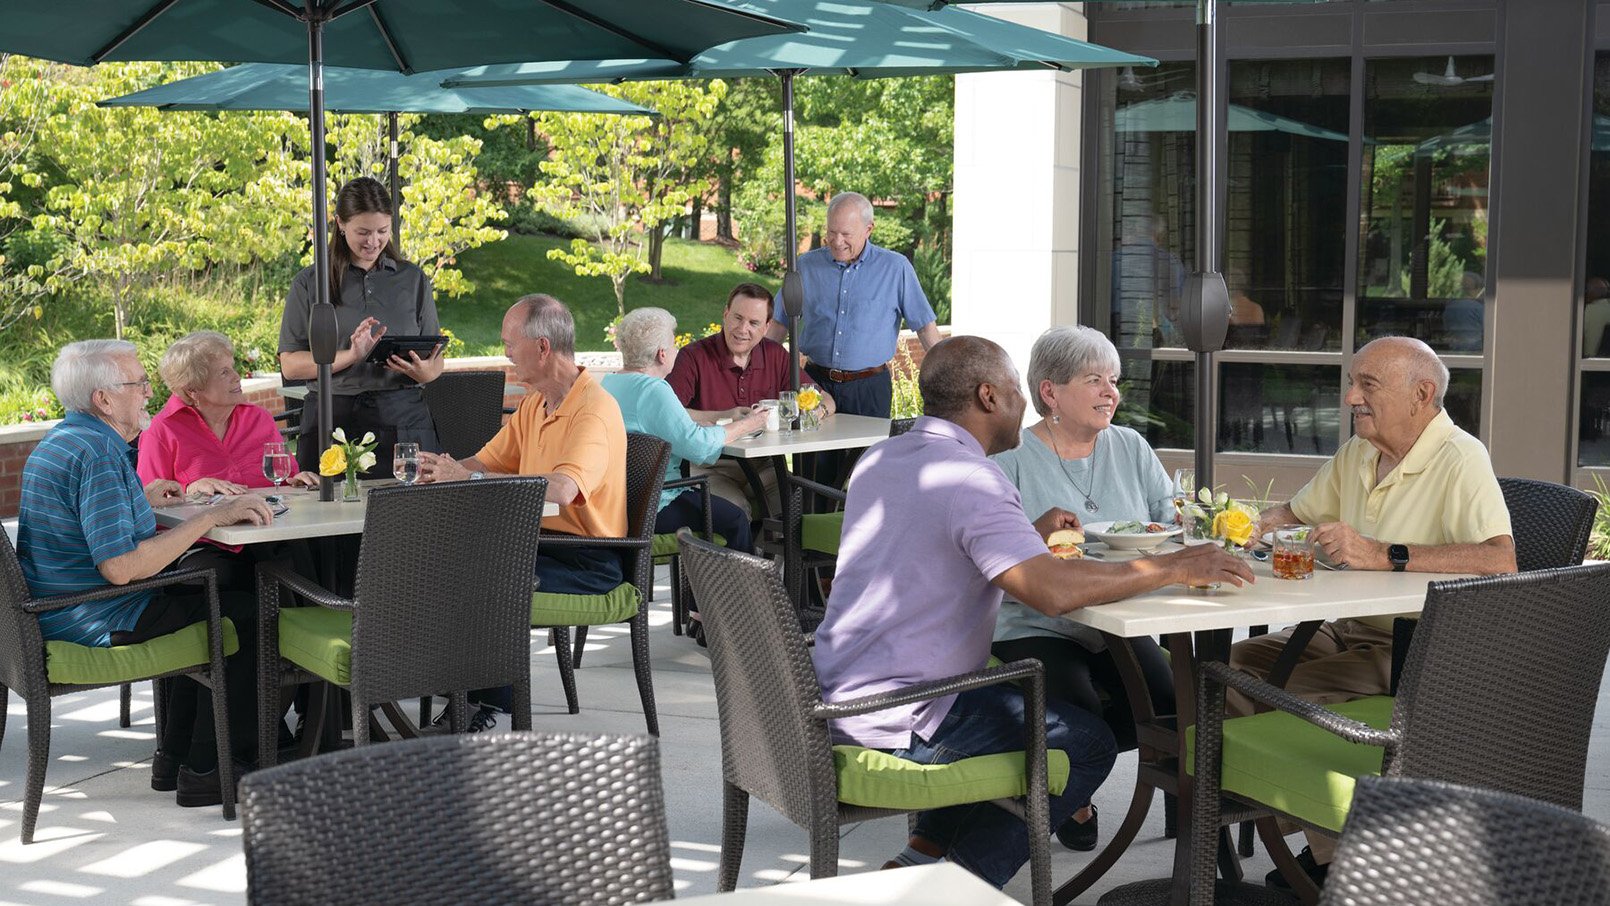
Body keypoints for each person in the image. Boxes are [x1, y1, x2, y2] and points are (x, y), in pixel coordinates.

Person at [812, 334, 1253, 888]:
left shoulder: (883, 456)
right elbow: (1052, 594)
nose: (1026, 403)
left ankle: (924, 859)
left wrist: (1027, 534)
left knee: (1099, 716)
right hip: (908, 710)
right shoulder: (973, 478)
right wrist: (1174, 568)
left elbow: (939, 543)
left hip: (844, 691)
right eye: (1019, 390)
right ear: (988, 396)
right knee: (1084, 743)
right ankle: (949, 886)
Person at [1236, 335, 1516, 888]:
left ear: (1422, 394)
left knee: (1275, 693)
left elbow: (1500, 560)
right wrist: (1238, 527)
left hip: (1419, 647)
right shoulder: (1359, 452)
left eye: (1368, 384)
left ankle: (1339, 867)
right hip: (1344, 627)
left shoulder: (1461, 457)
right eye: (1351, 382)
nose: (1349, 398)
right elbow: (1289, 514)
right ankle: (1322, 840)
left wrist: (1382, 554)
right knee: (1232, 667)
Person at [17, 340, 274, 807]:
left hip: (64, 605)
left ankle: (173, 760)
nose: (148, 393)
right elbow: (120, 568)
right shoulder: (99, 454)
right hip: (95, 615)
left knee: (218, 589)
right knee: (251, 614)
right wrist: (211, 516)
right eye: (138, 384)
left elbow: (90, 518)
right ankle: (209, 770)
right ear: (104, 399)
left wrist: (143, 496)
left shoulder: (69, 439)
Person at [988, 325, 1178, 852]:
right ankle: (1071, 792)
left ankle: (1071, 772)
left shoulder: (1131, 447)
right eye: (1094, 380)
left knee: (1175, 705)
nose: (1110, 393)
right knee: (1080, 713)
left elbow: (1171, 517)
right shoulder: (1011, 457)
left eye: (1114, 381)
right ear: (1050, 392)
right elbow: (991, 556)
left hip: (1120, 616)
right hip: (1036, 620)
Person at [417, 295, 628, 728]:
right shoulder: (536, 403)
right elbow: (485, 462)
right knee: (440, 560)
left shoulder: (593, 409)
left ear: (543, 348)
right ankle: (453, 691)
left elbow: (564, 490)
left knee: (482, 575)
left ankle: (485, 706)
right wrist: (445, 469)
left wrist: (468, 480)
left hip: (589, 559)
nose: (506, 353)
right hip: (539, 546)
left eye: (510, 343)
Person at [603, 308, 769, 637]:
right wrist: (747, 424)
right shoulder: (654, 390)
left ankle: (701, 612)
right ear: (663, 354)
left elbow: (674, 426)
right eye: (674, 345)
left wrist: (722, 417)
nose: (678, 352)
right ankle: (737, 625)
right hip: (654, 505)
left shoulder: (612, 383)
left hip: (620, 501)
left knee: (714, 509)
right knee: (735, 518)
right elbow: (695, 447)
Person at [278, 176, 443, 478]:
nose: (374, 241)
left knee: (415, 519)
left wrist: (421, 370)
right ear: (340, 224)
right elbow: (290, 366)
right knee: (331, 522)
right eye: (363, 232)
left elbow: (435, 364)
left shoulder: (413, 279)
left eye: (382, 231)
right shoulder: (311, 283)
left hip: (404, 419)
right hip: (334, 420)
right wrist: (352, 355)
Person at [765, 192, 941, 419]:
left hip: (869, 389)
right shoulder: (806, 266)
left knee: (866, 456)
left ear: (869, 229)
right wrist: (756, 369)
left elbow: (926, 328)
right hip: (814, 385)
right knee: (814, 454)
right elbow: (779, 323)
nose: (837, 242)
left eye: (846, 234)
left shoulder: (896, 268)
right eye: (831, 232)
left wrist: (947, 378)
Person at [668, 282, 833, 518]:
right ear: (725, 315)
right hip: (711, 466)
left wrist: (818, 412)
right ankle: (747, 555)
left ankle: (768, 556)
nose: (742, 329)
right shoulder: (694, 356)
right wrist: (724, 415)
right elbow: (671, 413)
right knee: (735, 512)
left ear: (766, 327)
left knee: (795, 507)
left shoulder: (775, 355)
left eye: (753, 323)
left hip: (764, 466)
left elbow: (827, 400)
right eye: (737, 318)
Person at [139, 330, 319, 494]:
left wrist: (298, 482)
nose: (236, 377)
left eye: (232, 368)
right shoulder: (162, 431)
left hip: (268, 525)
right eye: (224, 372)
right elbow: (148, 504)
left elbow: (286, 480)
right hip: (206, 529)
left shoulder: (258, 419)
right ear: (192, 389)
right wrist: (189, 490)